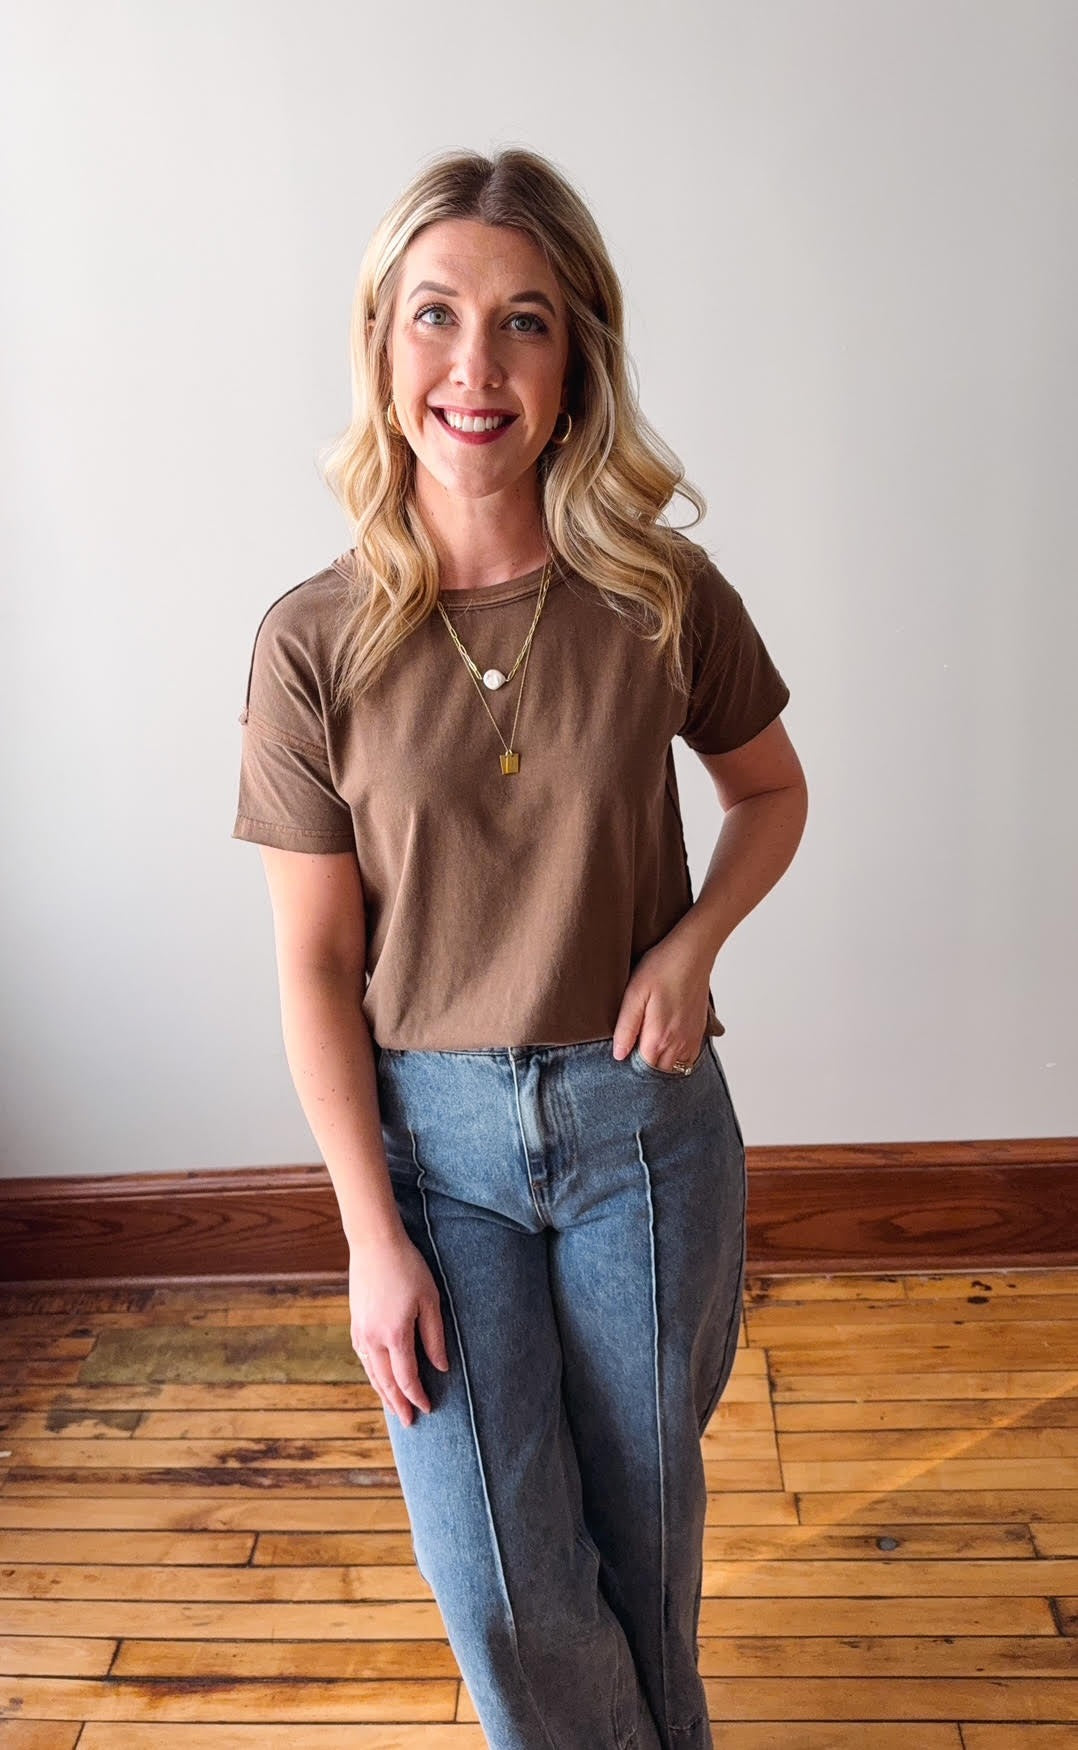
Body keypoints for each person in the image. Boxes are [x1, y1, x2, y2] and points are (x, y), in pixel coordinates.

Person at [232, 146, 807, 1750]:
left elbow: (768, 792)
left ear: (576, 364)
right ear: (381, 342)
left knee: (641, 1549)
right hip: (437, 1156)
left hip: (643, 1139)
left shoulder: (656, 595)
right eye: (434, 317)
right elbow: (310, 966)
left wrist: (692, 941)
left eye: (523, 324)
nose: (473, 368)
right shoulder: (310, 639)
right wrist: (367, 1231)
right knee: (495, 1574)